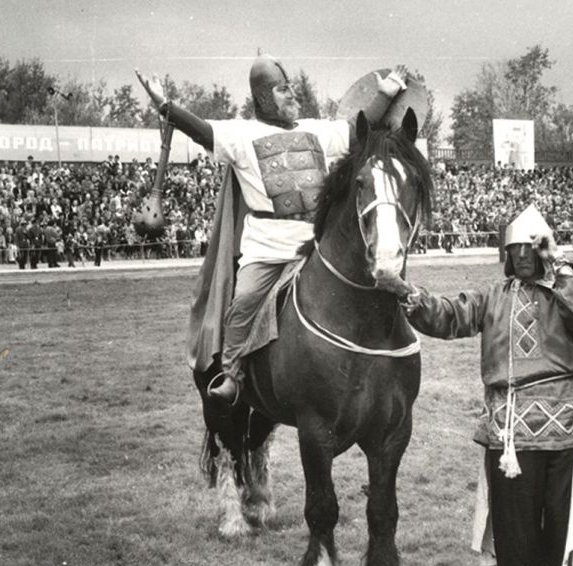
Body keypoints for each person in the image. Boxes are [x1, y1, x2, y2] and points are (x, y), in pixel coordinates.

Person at [137, 55, 412, 403]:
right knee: (244, 302)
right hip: (266, 248)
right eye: (284, 90)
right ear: (264, 97)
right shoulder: (240, 134)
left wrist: (385, 93)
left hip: (314, 246)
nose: (292, 94)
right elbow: (202, 131)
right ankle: (233, 375)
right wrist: (166, 105)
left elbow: (362, 127)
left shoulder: (318, 130)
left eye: (292, 88)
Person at [401, 204, 573, 566]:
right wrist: (408, 295)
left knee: (567, 513)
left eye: (532, 248)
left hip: (566, 427)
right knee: (515, 515)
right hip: (509, 428)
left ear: (544, 250)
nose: (523, 256)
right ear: (505, 254)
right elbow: (449, 316)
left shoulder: (565, 293)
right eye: (515, 249)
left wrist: (559, 261)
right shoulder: (492, 296)